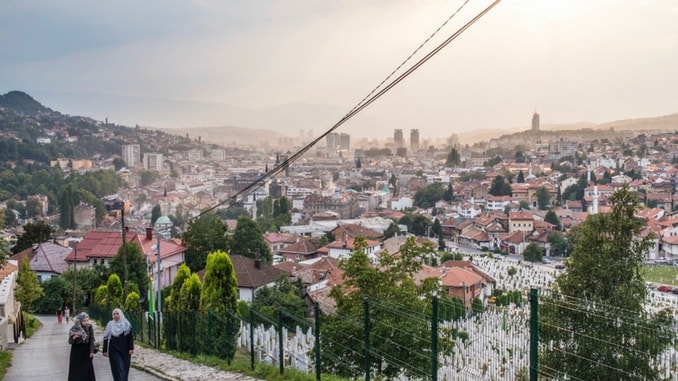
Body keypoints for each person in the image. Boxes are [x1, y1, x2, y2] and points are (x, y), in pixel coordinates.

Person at [102, 308, 134, 381]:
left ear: (120, 314)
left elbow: (130, 337)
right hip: (114, 350)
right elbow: (105, 337)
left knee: (124, 368)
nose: (115, 316)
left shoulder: (126, 324)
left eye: (117, 314)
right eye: (114, 314)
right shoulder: (110, 324)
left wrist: (131, 348)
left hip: (125, 350)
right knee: (118, 367)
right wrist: (104, 350)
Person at [68, 312, 97, 381]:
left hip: (86, 350)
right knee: (76, 371)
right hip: (77, 351)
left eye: (87, 320)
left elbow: (92, 339)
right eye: (84, 321)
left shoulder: (89, 327)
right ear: (80, 321)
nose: (86, 322)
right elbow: (70, 341)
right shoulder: (74, 328)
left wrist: (91, 351)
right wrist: (74, 337)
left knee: (87, 370)